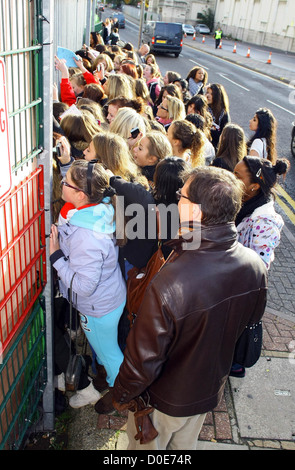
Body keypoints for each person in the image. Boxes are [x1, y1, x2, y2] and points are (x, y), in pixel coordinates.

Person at [112, 166, 267, 450]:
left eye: (180, 196)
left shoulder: (172, 280)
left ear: (196, 212)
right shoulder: (255, 266)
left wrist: (120, 394)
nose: (176, 201)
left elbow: (144, 358)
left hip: (162, 401)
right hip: (207, 392)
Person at [49, 161, 127, 411]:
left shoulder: (86, 233)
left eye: (66, 181)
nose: (62, 183)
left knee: (109, 354)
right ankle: (115, 382)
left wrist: (56, 258)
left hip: (98, 307)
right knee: (107, 350)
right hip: (108, 297)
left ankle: (123, 395)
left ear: (81, 194)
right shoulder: (98, 209)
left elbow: (84, 286)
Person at [230, 156, 289, 378]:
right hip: (231, 281)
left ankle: (235, 364)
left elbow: (258, 266)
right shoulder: (244, 202)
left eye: (237, 176)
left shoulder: (265, 221)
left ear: (254, 186)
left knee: (235, 333)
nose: (231, 178)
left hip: (242, 289)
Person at [206, 83, 230, 149]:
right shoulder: (203, 108)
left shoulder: (223, 114)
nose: (208, 95)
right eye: (207, 92)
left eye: (211, 94)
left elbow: (224, 135)